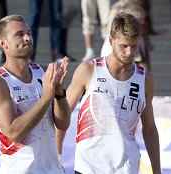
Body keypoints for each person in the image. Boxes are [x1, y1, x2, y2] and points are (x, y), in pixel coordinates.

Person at [58, 13, 161, 173]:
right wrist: (56, 158)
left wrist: (157, 171)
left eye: (134, 46)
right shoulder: (89, 70)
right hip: (89, 168)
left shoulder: (146, 79)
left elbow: (149, 128)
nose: (129, 52)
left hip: (127, 167)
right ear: (111, 41)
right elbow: (62, 118)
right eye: (124, 46)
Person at [0, 15, 71, 173]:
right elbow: (14, 133)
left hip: (52, 169)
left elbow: (63, 124)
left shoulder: (43, 72)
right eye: (19, 34)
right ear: (3, 43)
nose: (27, 38)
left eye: (29, 33)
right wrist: (46, 99)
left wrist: (58, 94)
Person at [101, 1, 152, 70]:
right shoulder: (115, 41)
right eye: (139, 20)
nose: (142, 22)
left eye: (142, 19)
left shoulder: (137, 32)